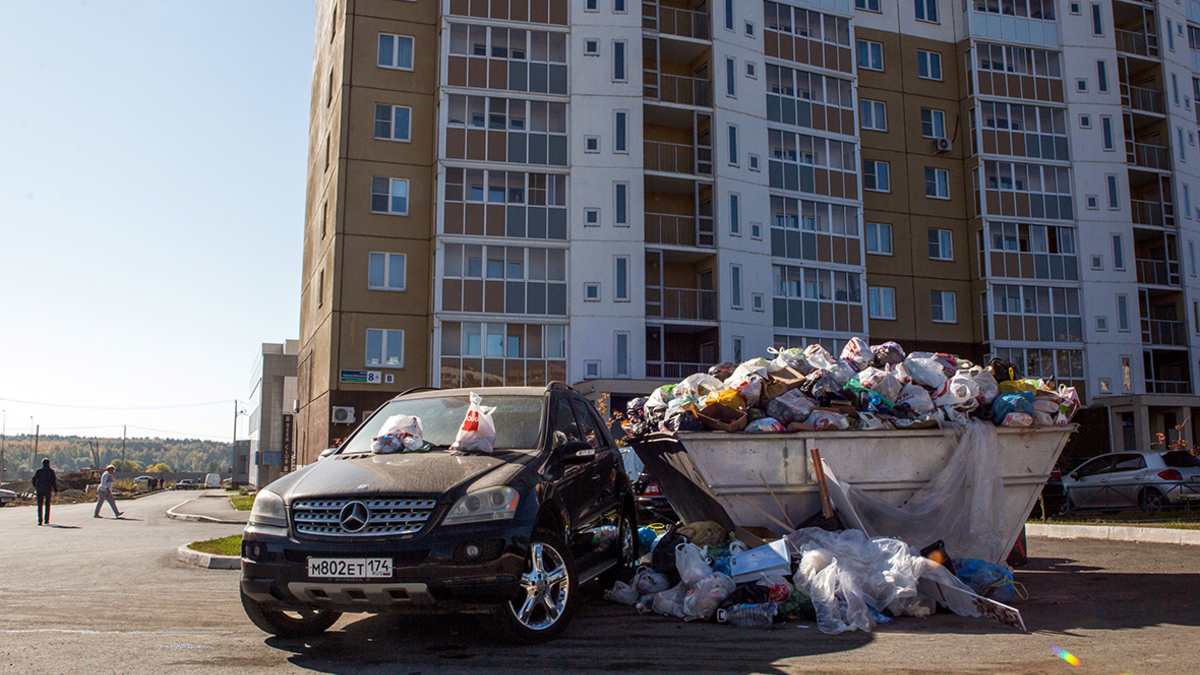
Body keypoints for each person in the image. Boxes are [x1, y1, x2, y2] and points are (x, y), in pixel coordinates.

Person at [31, 458, 58, 526]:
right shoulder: (51, 471)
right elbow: (53, 482)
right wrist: (55, 490)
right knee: (47, 504)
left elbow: (34, 479)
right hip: (48, 489)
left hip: (40, 489)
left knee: (40, 505)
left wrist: (35, 486)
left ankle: (40, 521)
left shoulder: (39, 471)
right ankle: (46, 520)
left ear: (42, 463)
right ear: (49, 464)